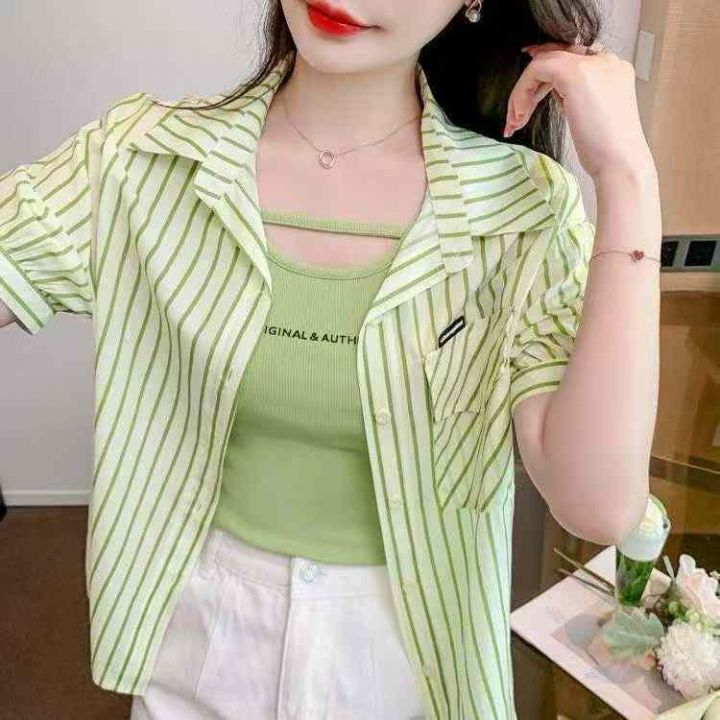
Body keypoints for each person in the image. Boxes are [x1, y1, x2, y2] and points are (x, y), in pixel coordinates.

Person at [0, 0, 662, 717]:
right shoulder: (142, 160)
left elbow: (598, 504)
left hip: (410, 658)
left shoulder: (523, 210)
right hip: (197, 633)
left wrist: (628, 178)